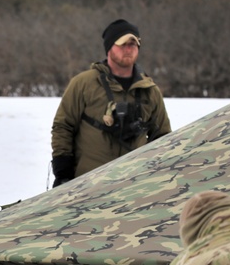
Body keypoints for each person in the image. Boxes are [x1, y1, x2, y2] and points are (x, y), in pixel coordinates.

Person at [50, 19, 171, 187]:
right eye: (122, 45)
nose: (128, 50)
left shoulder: (149, 90)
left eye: (133, 45)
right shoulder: (84, 84)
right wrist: (63, 172)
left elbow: (163, 138)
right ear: (109, 48)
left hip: (134, 186)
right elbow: (63, 126)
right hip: (87, 185)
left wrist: (157, 176)